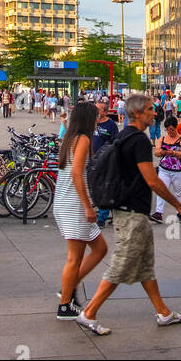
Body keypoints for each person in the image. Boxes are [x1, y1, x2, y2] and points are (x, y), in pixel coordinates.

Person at [77, 94, 181, 335]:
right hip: (131, 214)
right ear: (137, 113)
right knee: (122, 264)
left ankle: (163, 312)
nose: (154, 113)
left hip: (127, 209)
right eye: (150, 109)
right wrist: (177, 205)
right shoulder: (138, 140)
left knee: (145, 265)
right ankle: (89, 312)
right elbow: (153, 180)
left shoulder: (122, 135)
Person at [53, 100, 108, 320]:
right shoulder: (83, 139)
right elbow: (77, 174)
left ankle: (69, 287)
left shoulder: (70, 138)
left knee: (100, 249)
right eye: (95, 116)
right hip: (73, 204)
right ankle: (64, 304)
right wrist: (87, 205)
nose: (98, 120)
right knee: (74, 258)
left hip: (64, 201)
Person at [151, 115, 181, 222]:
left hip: (179, 171)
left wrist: (173, 152)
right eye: (167, 130)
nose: (169, 132)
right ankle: (158, 213)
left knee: (179, 192)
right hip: (164, 170)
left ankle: (180, 212)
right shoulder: (162, 139)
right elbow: (156, 152)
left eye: (171, 129)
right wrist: (162, 152)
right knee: (161, 190)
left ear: (176, 128)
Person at [92, 100, 120, 228]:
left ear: (105, 111)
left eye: (98, 110)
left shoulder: (111, 125)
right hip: (92, 161)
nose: (96, 112)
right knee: (96, 188)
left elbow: (116, 143)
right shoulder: (92, 123)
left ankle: (102, 217)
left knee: (105, 189)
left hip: (105, 161)